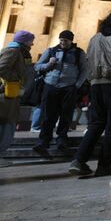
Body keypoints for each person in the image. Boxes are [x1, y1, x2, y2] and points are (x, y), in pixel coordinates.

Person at [69, 8, 111, 176]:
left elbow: (88, 60)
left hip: (95, 83)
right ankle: (105, 164)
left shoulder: (95, 38)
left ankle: (79, 160)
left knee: (96, 123)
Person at [33, 30, 88, 158]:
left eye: (66, 41)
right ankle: (43, 141)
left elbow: (84, 69)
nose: (63, 43)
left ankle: (61, 139)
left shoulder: (78, 53)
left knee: (66, 114)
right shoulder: (50, 51)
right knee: (48, 114)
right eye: (61, 40)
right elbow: (37, 66)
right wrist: (48, 64)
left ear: (71, 41)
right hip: (51, 85)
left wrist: (77, 85)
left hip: (68, 87)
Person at [0, 30, 35, 168]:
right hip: (5, 93)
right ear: (24, 41)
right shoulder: (13, 51)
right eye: (31, 40)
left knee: (6, 124)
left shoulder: (20, 52)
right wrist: (16, 81)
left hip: (11, 94)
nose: (33, 43)